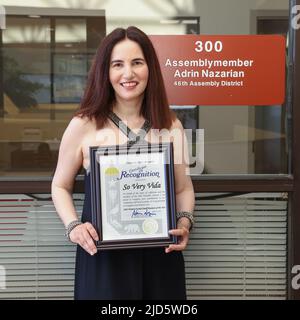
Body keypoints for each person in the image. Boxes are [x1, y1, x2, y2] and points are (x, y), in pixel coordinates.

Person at [51, 26, 195, 300]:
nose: (128, 74)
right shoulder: (84, 124)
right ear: (105, 71)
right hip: (103, 259)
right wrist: (73, 227)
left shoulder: (170, 124)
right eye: (118, 64)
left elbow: (183, 189)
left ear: (150, 68)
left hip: (161, 256)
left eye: (137, 63)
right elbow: (60, 185)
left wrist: (185, 222)